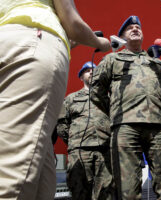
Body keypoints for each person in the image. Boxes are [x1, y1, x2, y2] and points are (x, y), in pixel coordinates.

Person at [0, 0, 110, 199]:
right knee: (14, 168)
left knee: (42, 169)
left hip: (9, 40)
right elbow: (73, 24)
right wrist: (100, 43)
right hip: (33, 41)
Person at [91, 16, 161, 199]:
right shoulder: (112, 59)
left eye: (138, 27)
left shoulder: (156, 63)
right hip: (125, 127)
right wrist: (115, 111)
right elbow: (96, 91)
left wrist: (155, 108)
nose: (135, 29)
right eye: (130, 28)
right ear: (122, 36)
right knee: (127, 189)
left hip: (159, 127)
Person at [55, 62, 112, 200]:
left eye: (94, 70)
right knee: (79, 191)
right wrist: (74, 141)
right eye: (87, 70)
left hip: (105, 150)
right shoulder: (70, 98)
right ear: (81, 77)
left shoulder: (108, 98)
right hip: (79, 151)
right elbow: (62, 125)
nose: (91, 72)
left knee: (106, 192)